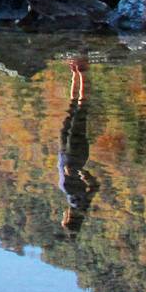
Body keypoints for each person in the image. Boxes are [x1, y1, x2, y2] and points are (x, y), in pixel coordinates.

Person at [59, 57, 100, 234]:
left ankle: (76, 73)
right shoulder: (76, 201)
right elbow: (72, 176)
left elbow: (95, 186)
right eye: (64, 219)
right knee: (80, 109)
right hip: (73, 154)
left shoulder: (81, 204)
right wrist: (80, 173)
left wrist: (84, 175)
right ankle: (81, 71)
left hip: (69, 154)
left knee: (74, 108)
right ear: (68, 219)